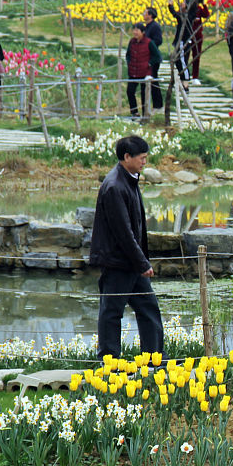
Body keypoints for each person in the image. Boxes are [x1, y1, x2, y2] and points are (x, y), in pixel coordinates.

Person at [89, 135, 163, 361]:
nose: (145, 162)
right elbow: (123, 232)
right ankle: (109, 362)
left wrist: (140, 262)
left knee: (149, 309)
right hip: (118, 262)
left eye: (146, 158)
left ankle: (154, 360)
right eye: (141, 158)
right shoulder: (114, 186)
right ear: (127, 157)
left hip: (132, 262)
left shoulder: (129, 178)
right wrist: (143, 263)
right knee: (112, 313)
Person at [125, 22, 161, 118]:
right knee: (130, 91)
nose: (135, 32)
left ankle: (145, 115)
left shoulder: (149, 42)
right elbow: (128, 54)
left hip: (145, 72)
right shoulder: (132, 41)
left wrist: (149, 64)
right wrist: (129, 62)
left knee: (144, 94)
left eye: (137, 30)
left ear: (143, 32)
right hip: (133, 71)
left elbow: (157, 57)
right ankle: (134, 112)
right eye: (134, 30)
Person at [142, 7, 164, 111]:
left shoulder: (155, 27)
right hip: (146, 56)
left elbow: (158, 40)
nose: (143, 14)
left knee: (153, 80)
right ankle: (153, 104)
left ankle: (158, 105)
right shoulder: (147, 27)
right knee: (149, 80)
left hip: (153, 57)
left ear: (150, 15)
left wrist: (148, 45)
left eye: (145, 13)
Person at [187, 0, 211, 83]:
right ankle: (185, 74)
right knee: (185, 55)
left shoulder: (199, 9)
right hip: (188, 34)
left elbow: (206, 15)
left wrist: (204, 4)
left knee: (196, 55)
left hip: (197, 35)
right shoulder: (187, 10)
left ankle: (195, 76)